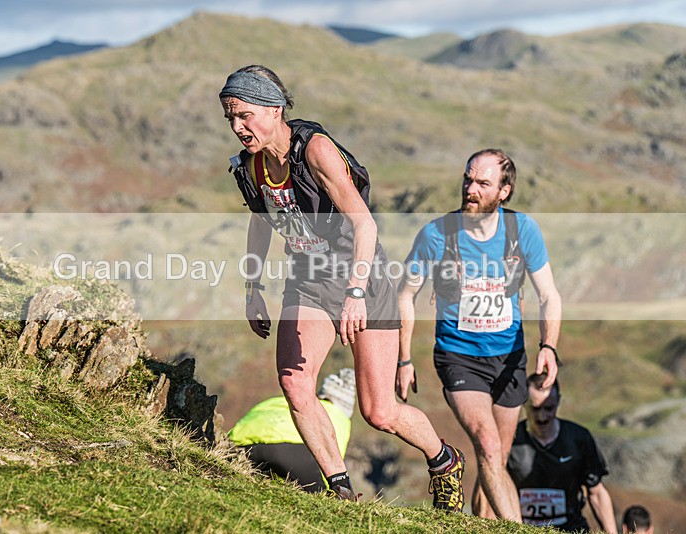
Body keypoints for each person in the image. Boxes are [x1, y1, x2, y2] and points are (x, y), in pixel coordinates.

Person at [220, 64, 465, 509]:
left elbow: (364, 224)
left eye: (244, 115)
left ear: (275, 109)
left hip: (363, 278)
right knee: (295, 385)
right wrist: (252, 286)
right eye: (230, 118)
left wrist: (355, 293)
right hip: (307, 282)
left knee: (379, 412)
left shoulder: (316, 151)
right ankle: (342, 493)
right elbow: (261, 222)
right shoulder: (252, 167)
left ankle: (444, 461)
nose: (238, 127)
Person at [397, 148, 562, 521]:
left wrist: (548, 346)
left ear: (504, 191)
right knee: (486, 445)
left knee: (497, 457)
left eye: (483, 183)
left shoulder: (523, 231)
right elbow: (405, 295)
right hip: (459, 356)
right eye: (467, 179)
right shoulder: (437, 235)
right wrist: (403, 358)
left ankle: (483, 525)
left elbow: (549, 295)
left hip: (509, 357)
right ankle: (518, 529)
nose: (470, 189)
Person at [507, 374, 617, 532]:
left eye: (548, 408)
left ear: (558, 400)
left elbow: (597, 492)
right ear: (524, 402)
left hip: (570, 528)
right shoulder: (509, 439)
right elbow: (491, 484)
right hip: (522, 529)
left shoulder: (579, 438)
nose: (542, 417)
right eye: (535, 409)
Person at [228, 369, 356, 493]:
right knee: (320, 499)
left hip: (243, 447)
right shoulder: (340, 419)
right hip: (295, 455)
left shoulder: (284, 401)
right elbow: (331, 459)